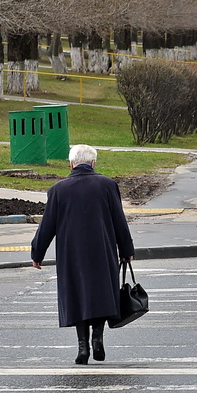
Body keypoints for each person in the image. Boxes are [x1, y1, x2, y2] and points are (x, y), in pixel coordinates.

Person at [31, 144, 135, 365]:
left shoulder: (58, 190)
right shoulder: (108, 185)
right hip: (102, 249)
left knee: (78, 295)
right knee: (100, 293)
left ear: (71, 163)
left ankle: (82, 346)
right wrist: (126, 250)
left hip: (71, 253)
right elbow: (119, 220)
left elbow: (47, 226)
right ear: (93, 163)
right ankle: (98, 338)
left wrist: (37, 252)